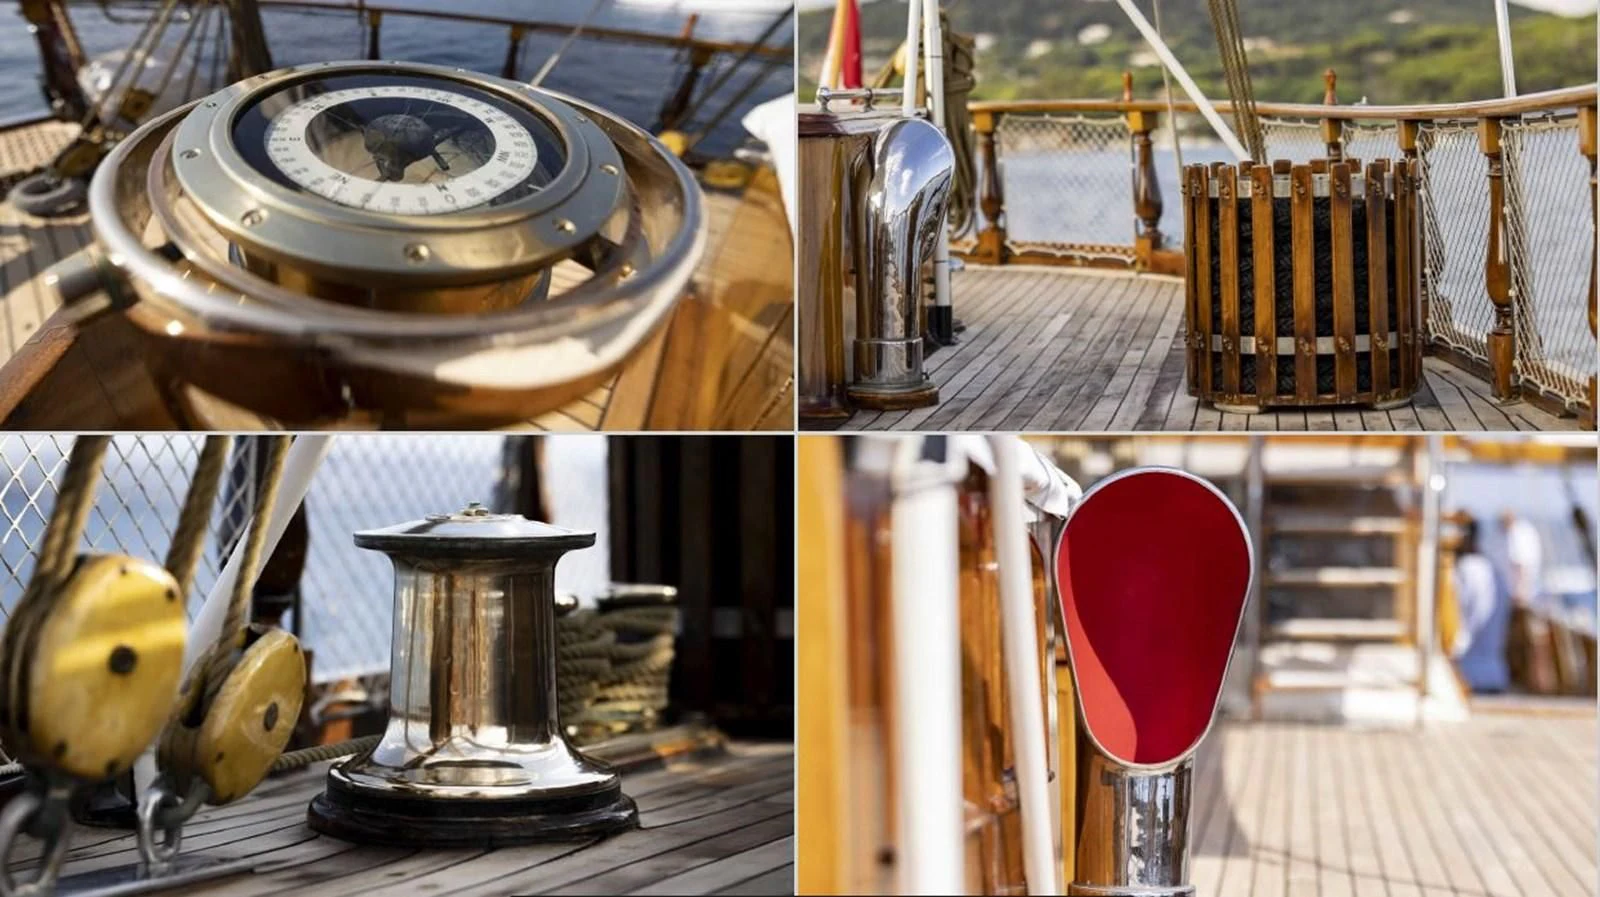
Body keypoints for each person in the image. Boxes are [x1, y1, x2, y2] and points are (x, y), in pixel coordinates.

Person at [1452, 516, 1511, 694]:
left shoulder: (1462, 571)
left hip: (1465, 677)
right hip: (1496, 676)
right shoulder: (1496, 572)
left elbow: (1457, 625)